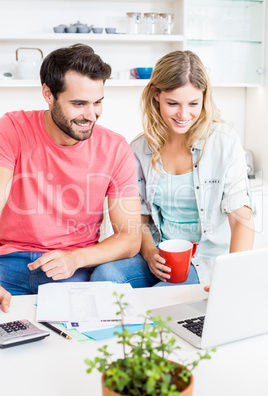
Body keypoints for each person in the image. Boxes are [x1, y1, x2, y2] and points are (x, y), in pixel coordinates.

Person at [95, 50, 254, 287]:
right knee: (104, 276)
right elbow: (139, 217)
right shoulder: (139, 149)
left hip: (205, 261)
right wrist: (149, 253)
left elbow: (241, 218)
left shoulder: (224, 141)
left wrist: (231, 277)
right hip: (160, 254)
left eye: (193, 103)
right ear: (155, 95)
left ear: (204, 97)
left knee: (161, 299)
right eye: (173, 103)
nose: (183, 114)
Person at [0, 44, 141, 295]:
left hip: (71, 269)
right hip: (7, 263)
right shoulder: (12, 128)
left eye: (97, 102)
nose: (91, 115)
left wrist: (75, 259)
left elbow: (130, 239)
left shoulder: (115, 148)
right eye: (79, 104)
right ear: (48, 94)